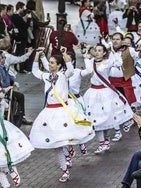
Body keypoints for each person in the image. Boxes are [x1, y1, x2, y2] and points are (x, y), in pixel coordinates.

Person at [29, 47, 95, 182]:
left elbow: (70, 68)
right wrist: (37, 54)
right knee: (56, 143)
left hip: (62, 111)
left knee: (65, 137)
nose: (49, 64)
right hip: (49, 112)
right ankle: (64, 169)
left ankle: (69, 150)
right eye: (49, 62)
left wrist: (64, 53)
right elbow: (35, 70)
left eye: (52, 63)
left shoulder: (64, 75)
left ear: (59, 65)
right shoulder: (47, 76)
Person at [82, 44, 133, 153]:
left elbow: (119, 63)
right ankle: (103, 142)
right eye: (96, 50)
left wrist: (114, 52)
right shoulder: (91, 61)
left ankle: (105, 140)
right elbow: (87, 71)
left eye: (100, 50)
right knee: (96, 120)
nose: (97, 52)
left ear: (104, 53)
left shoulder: (107, 62)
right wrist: (86, 55)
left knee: (105, 118)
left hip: (105, 92)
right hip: (93, 93)